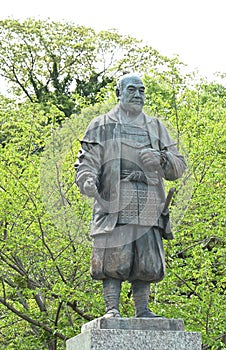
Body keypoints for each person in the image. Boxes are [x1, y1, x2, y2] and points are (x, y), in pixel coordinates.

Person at [75, 73, 186, 318]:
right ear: (119, 93)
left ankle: (143, 309)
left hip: (148, 199)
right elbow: (86, 162)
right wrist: (87, 180)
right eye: (132, 90)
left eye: (142, 91)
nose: (137, 95)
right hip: (115, 198)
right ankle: (111, 308)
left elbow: (178, 166)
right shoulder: (101, 125)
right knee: (114, 254)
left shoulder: (155, 127)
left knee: (146, 258)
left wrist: (162, 158)